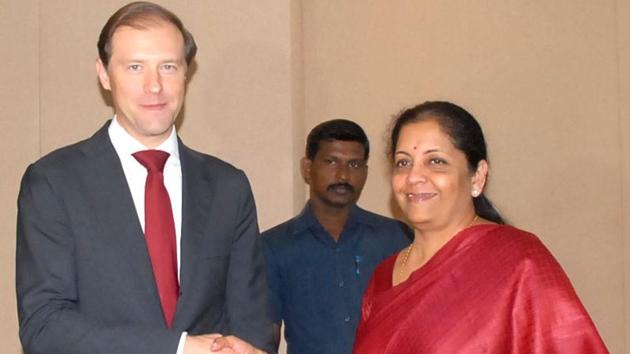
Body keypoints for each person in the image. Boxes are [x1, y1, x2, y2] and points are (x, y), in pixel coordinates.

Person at [16, 2, 272, 354]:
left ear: (187, 73)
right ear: (104, 74)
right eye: (135, 67)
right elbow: (44, 326)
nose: (154, 86)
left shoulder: (228, 187)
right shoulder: (53, 182)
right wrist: (178, 348)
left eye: (168, 66)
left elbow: (253, 323)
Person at [352, 101, 609, 353]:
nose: (414, 177)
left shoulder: (518, 262)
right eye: (403, 162)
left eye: (435, 161)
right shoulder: (382, 277)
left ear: (477, 175)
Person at [262, 119, 412, 354]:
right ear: (307, 168)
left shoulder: (396, 238)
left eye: (354, 164)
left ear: (365, 172)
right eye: (331, 162)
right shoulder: (273, 246)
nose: (343, 175)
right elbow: (265, 336)